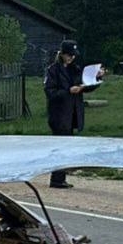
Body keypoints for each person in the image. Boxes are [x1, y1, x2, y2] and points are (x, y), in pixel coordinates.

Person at [44, 39, 105, 189]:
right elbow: (50, 92)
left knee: (66, 146)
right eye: (69, 55)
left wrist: (97, 77)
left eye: (73, 55)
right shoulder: (53, 70)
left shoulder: (75, 69)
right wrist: (67, 91)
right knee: (61, 147)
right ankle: (57, 179)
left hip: (72, 113)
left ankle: (60, 177)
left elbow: (87, 84)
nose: (71, 58)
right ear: (63, 54)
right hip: (59, 114)